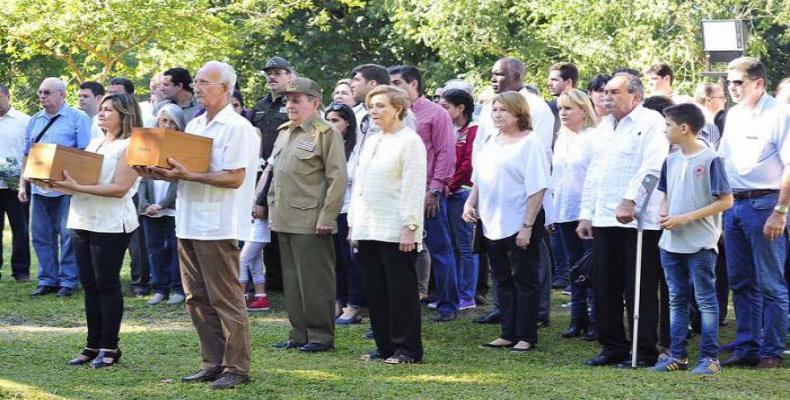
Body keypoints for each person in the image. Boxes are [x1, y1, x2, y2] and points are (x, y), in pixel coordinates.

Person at [140, 61, 260, 389]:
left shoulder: (237, 128)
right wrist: (155, 171)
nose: (199, 87)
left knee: (225, 297)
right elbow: (182, 171)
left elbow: (235, 177)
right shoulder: (194, 126)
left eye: (206, 82)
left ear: (226, 88)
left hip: (218, 225)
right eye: (197, 82)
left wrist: (189, 175)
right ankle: (213, 362)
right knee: (196, 298)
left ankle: (236, 367)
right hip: (189, 221)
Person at [578, 73, 669, 368]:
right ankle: (613, 346)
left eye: (615, 92)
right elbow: (594, 174)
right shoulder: (605, 126)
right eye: (606, 92)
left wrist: (631, 199)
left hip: (638, 221)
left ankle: (643, 351)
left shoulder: (651, 122)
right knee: (605, 285)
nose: (607, 96)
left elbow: (653, 166)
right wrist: (586, 214)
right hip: (604, 218)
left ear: (636, 97)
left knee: (639, 287)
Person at [52, 93, 142, 368]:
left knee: (107, 284)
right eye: (101, 109)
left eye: (108, 110)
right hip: (83, 219)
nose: (101, 114)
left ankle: (110, 347)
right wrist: (56, 182)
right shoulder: (95, 142)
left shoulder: (131, 146)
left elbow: (119, 188)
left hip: (111, 223)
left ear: (124, 114)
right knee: (89, 285)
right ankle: (92, 345)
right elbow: (81, 179)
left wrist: (77, 188)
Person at [649, 103, 733, 375]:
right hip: (670, 242)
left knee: (706, 300)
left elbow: (725, 201)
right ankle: (677, 355)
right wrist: (665, 212)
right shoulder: (670, 160)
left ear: (684, 128)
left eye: (668, 126)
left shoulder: (711, 160)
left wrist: (685, 218)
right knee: (676, 298)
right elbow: (666, 193)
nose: (664, 131)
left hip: (700, 242)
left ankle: (710, 358)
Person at [718, 57, 790, 369]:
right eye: (729, 82)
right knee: (741, 281)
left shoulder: (780, 113)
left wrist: (781, 211)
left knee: (770, 282)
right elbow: (722, 160)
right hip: (734, 204)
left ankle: (772, 350)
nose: (732, 88)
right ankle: (747, 346)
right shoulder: (733, 115)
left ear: (758, 83)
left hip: (766, 203)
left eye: (739, 83)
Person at [464, 91, 550, 353]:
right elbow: (480, 177)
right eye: (495, 110)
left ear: (518, 113)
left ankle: (526, 335)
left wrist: (527, 225)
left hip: (520, 219)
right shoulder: (492, 140)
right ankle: (507, 331)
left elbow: (537, 187)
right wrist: (471, 202)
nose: (497, 114)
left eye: (503, 110)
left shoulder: (530, 142)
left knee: (524, 279)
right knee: (501, 278)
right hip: (492, 220)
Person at [268, 77, 347, 353]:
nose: (290, 104)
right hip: (285, 217)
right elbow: (277, 175)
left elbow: (337, 178)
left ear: (314, 103)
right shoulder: (285, 131)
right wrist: (271, 209)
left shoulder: (325, 133)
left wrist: (328, 216)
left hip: (312, 220)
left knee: (315, 281)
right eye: (288, 100)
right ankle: (298, 332)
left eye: (296, 100)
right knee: (291, 280)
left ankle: (320, 336)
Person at [349, 85, 427, 364]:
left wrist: (410, 227)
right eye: (371, 106)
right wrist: (354, 223)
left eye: (381, 105)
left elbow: (413, 186)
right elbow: (360, 185)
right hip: (369, 226)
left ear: (398, 108)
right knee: (376, 291)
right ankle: (384, 347)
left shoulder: (409, 141)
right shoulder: (371, 140)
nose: (374, 111)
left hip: (396, 229)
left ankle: (407, 349)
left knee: (400, 292)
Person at [388, 65, 459, 322]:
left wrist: (436, 189)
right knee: (401, 250)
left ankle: (448, 304)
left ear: (414, 84)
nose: (393, 87)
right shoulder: (392, 115)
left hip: (428, 191)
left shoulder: (435, 113)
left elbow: (445, 152)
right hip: (398, 192)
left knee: (439, 249)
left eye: (397, 82)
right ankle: (408, 302)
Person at [20, 77, 91, 297]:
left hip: (65, 189)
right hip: (39, 189)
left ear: (62, 94)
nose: (42, 97)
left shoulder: (78, 118)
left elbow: (84, 153)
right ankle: (47, 280)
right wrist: (23, 184)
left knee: (67, 234)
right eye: (40, 92)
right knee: (40, 235)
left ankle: (68, 281)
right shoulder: (35, 120)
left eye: (47, 92)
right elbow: (27, 154)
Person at [551, 89, 598, 340]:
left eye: (568, 108)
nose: (563, 113)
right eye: (560, 109)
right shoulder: (561, 139)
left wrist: (587, 214)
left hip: (585, 211)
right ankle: (577, 318)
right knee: (573, 266)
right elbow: (556, 178)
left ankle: (595, 318)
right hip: (564, 211)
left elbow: (593, 177)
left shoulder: (593, 138)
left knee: (591, 266)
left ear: (583, 109)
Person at [251, 56, 294, 293]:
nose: (272, 76)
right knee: (264, 230)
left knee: (283, 231)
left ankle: (289, 281)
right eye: (269, 72)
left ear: (290, 75)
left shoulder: (295, 103)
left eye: (278, 72)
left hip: (287, 175)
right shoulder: (259, 106)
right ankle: (274, 281)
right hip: (262, 173)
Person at [138, 104, 185, 306]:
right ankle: (159, 288)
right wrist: (145, 204)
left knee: (175, 248)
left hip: (173, 209)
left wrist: (163, 204)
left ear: (177, 123)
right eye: (160, 120)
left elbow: (179, 180)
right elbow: (142, 178)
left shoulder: (183, 145)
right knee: (153, 248)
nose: (162, 124)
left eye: (167, 120)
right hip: (151, 210)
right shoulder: (151, 144)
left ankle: (177, 288)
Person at [438, 88, 479, 311]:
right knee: (452, 245)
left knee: (465, 246)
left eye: (445, 107)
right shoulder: (452, 130)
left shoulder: (473, 130)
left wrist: (448, 185)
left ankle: (467, 295)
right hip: (448, 192)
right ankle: (453, 293)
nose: (441, 111)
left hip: (462, 192)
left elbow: (467, 165)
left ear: (460, 108)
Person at [324, 103, 364, 324]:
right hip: (331, 209)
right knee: (335, 260)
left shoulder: (357, 148)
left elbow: (353, 179)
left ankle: (354, 305)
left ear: (347, 122)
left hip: (349, 209)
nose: (331, 125)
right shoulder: (326, 144)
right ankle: (339, 301)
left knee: (351, 260)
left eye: (336, 120)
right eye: (328, 120)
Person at [0, 83, 31, 282]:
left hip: (15, 184)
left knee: (20, 228)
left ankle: (21, 271)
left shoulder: (24, 121)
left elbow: (30, 151)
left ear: (7, 96)